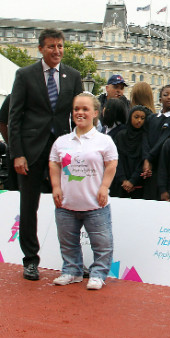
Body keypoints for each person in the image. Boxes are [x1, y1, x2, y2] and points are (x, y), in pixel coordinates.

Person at [9, 28, 83, 280]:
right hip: (31, 152)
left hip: (63, 151)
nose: (57, 51)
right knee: (29, 207)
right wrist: (17, 153)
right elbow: (14, 118)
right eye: (51, 46)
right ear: (40, 49)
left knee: (70, 205)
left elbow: (79, 115)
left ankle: (73, 262)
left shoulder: (73, 76)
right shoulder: (24, 75)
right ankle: (30, 260)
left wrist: (82, 147)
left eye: (60, 46)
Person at [48, 92, 118, 290]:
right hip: (66, 204)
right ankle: (71, 271)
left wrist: (104, 187)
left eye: (85, 109)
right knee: (67, 242)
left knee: (101, 243)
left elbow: (112, 164)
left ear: (95, 112)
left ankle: (98, 273)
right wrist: (56, 187)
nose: (80, 113)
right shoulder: (61, 141)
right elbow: (54, 164)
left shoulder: (104, 140)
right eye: (76, 109)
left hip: (96, 204)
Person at [142, 85, 170, 200]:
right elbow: (145, 139)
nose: (169, 97)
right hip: (149, 168)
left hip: (165, 166)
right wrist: (145, 160)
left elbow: (164, 139)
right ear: (159, 99)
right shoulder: (151, 118)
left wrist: (149, 158)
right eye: (166, 95)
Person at [114, 105, 151, 199]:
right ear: (130, 117)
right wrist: (123, 180)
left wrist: (132, 181)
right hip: (120, 184)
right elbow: (116, 158)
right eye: (136, 117)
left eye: (142, 118)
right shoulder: (121, 136)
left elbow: (144, 160)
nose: (139, 121)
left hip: (138, 184)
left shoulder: (145, 137)